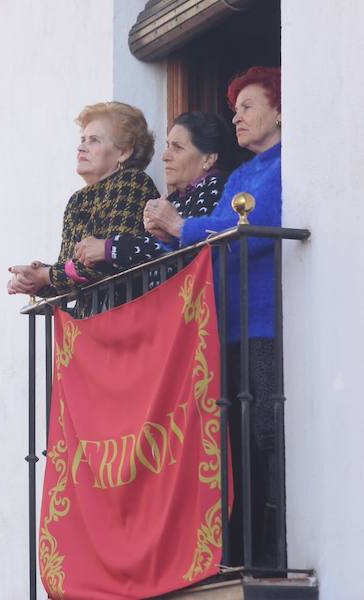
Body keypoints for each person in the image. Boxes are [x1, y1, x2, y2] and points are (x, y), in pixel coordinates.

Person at [144, 66, 283, 567]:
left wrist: (182, 225)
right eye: (235, 108)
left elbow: (252, 223)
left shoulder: (288, 163)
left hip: (264, 321)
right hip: (226, 323)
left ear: (281, 110)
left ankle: (274, 550)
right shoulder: (242, 174)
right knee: (234, 441)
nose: (237, 116)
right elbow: (222, 226)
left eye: (248, 106)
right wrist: (193, 228)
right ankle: (240, 549)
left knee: (268, 432)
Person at [8, 101, 158, 297]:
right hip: (91, 320)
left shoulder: (132, 182)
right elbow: (71, 270)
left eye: (94, 140)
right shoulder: (78, 200)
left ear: (124, 152)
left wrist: (47, 275)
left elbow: (107, 261)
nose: (81, 147)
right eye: (83, 139)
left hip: (129, 312)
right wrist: (34, 279)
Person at [71, 111, 231, 272]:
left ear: (208, 159)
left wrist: (109, 249)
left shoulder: (218, 188)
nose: (165, 156)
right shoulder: (174, 198)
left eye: (178, 148)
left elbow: (192, 247)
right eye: (168, 146)